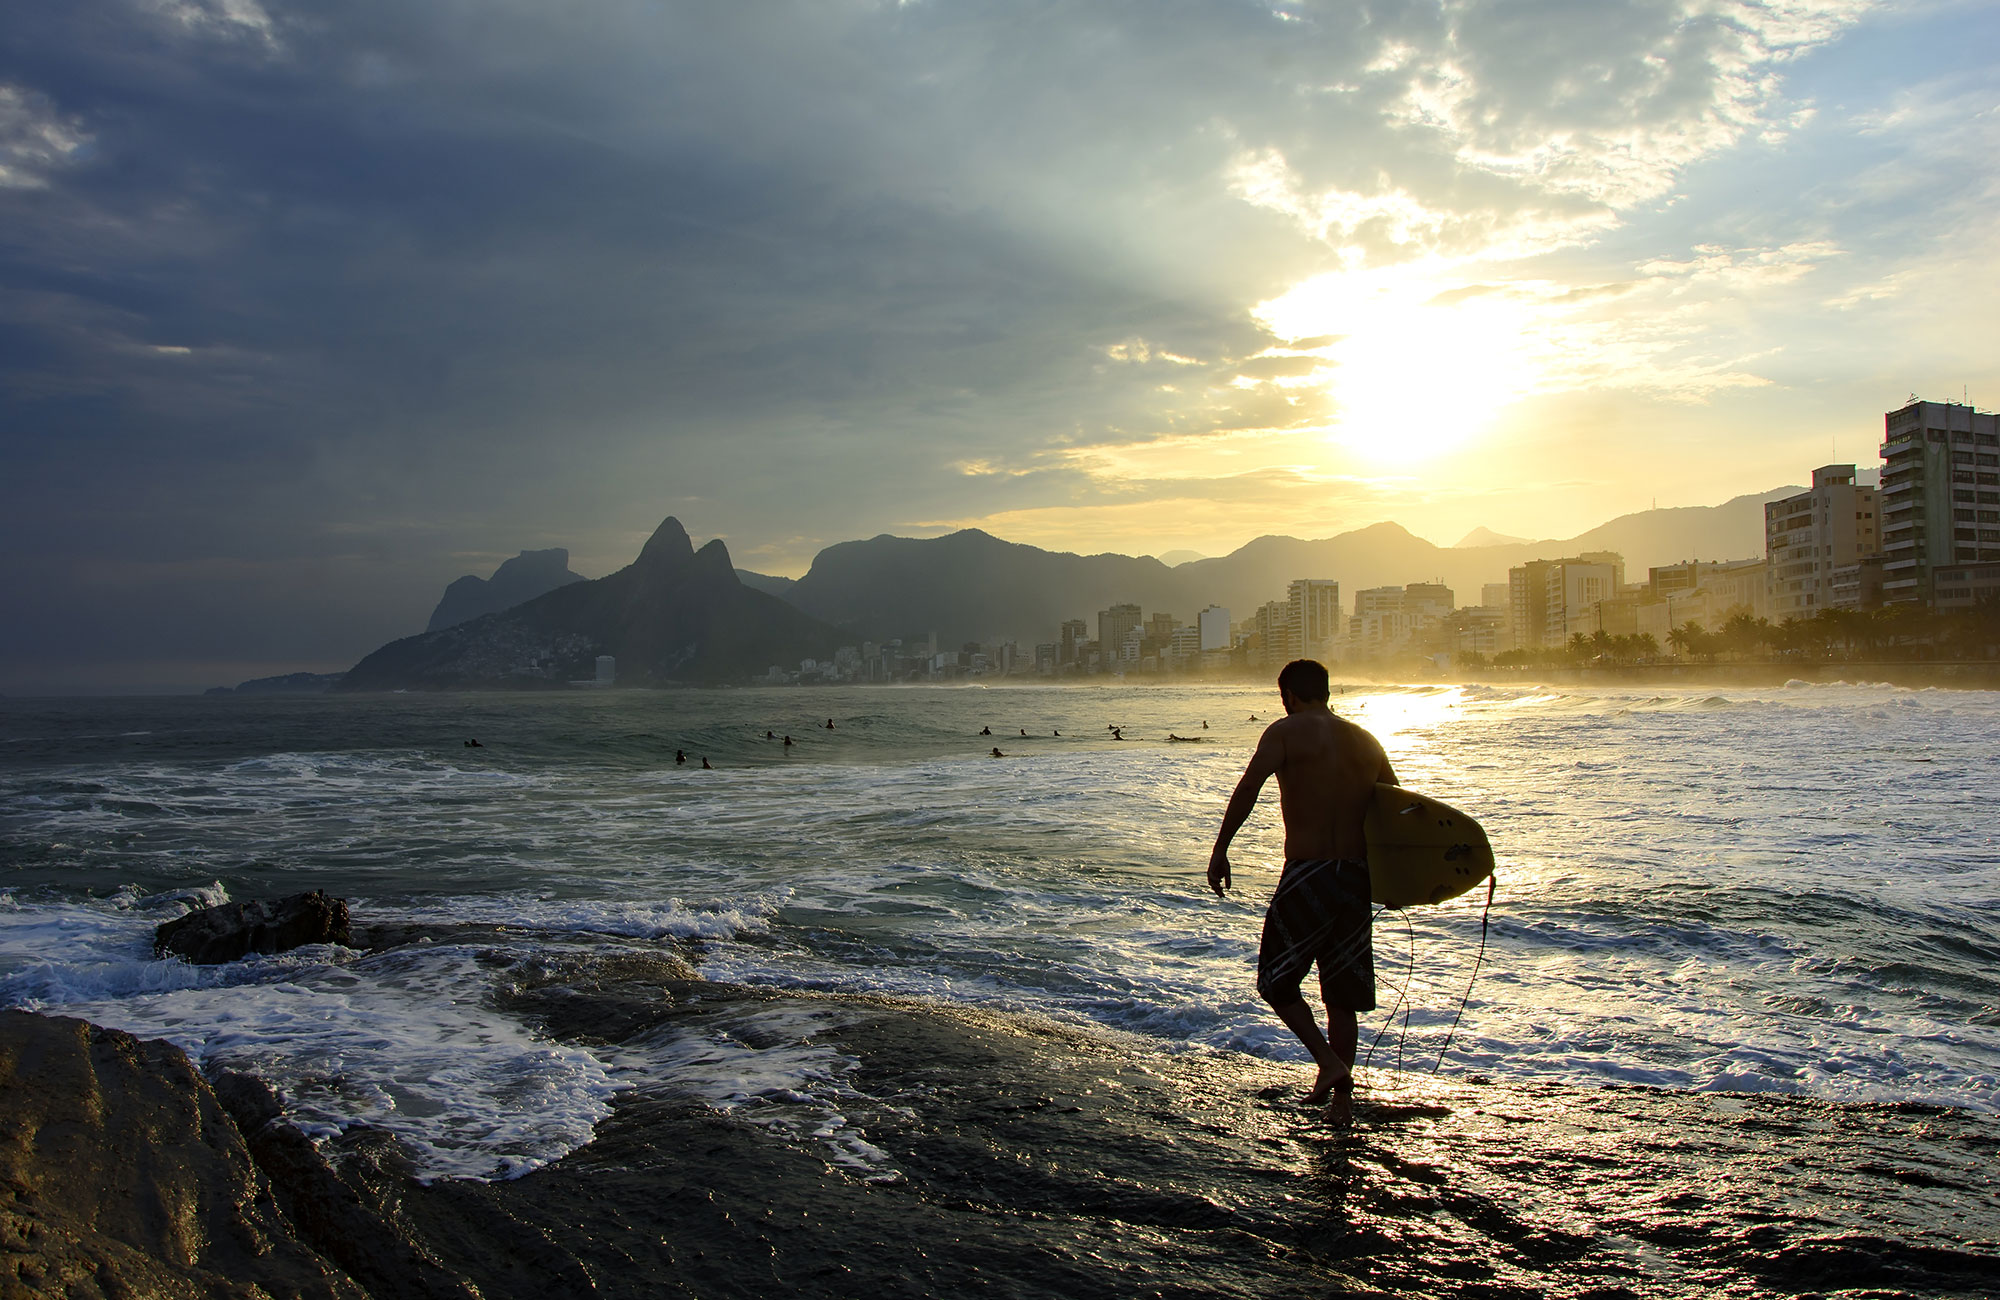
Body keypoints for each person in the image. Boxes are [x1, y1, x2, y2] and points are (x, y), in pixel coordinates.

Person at [1208, 659, 1397, 1107]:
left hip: (1309, 872)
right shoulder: (1367, 740)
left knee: (1275, 981)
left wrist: (1221, 849)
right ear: (1326, 691)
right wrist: (1401, 881)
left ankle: (1328, 1064)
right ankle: (1340, 1102)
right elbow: (1396, 810)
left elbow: (1248, 787)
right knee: (1341, 995)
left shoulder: (1284, 732)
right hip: (1355, 876)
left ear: (1288, 695)